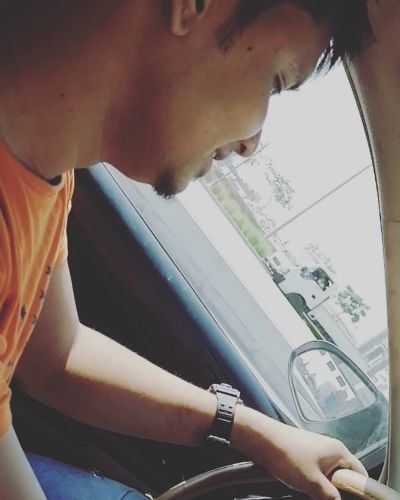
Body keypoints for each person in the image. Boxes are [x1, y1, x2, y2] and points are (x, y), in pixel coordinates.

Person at [0, 1, 373, 499]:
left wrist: (255, 432)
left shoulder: (46, 175)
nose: (251, 143)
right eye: (276, 82)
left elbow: (56, 357)